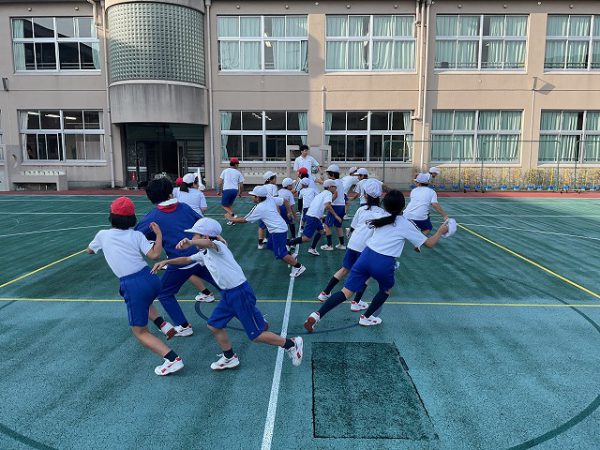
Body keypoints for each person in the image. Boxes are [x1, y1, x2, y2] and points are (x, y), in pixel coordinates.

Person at [151, 218, 304, 371]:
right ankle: (230, 357)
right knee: (214, 325)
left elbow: (209, 243)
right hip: (228, 295)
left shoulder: (218, 246)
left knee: (256, 335)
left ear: (205, 236)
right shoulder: (203, 253)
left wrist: (190, 243)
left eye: (195, 235)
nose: (192, 238)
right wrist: (166, 262)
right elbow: (186, 259)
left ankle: (291, 344)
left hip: (240, 293)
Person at [304, 190, 450, 332]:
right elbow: (429, 243)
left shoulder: (380, 217)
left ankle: (316, 315)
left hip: (365, 256)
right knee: (386, 289)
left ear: (385, 204)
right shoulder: (405, 224)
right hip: (384, 262)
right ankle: (366, 317)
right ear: (403, 206)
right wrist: (440, 232)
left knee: (345, 292)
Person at [87, 197, 184, 376]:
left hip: (133, 284)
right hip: (151, 278)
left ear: (111, 216)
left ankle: (172, 359)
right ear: (132, 218)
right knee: (145, 301)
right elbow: (155, 255)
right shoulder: (137, 235)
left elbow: (90, 250)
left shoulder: (102, 235)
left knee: (140, 332)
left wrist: (92, 249)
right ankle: (163, 325)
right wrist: (159, 235)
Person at [136, 178, 218, 335]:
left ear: (150, 197)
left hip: (180, 263)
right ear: (170, 192)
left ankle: (183, 326)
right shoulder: (184, 207)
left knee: (164, 293)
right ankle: (246, 308)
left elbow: (136, 235)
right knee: (226, 285)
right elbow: (203, 222)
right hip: (201, 257)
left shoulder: (153, 216)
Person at [317, 180, 386, 311]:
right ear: (380, 196)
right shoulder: (382, 213)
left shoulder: (361, 209)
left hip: (353, 244)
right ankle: (356, 302)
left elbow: (352, 228)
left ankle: (325, 293)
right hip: (365, 248)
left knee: (344, 269)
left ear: (365, 195)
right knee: (366, 275)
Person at [226, 186, 306, 278]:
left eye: (253, 196)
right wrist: (289, 212)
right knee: (270, 245)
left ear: (258, 198)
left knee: (280, 254)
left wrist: (231, 219)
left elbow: (245, 220)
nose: (251, 197)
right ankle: (291, 255)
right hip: (277, 229)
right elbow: (285, 201)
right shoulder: (269, 199)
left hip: (278, 231)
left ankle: (298, 267)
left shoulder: (259, 207)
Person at [287, 179, 340, 256]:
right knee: (307, 238)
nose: (336, 188)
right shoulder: (328, 193)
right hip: (314, 217)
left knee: (321, 231)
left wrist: (320, 215)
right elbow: (327, 205)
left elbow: (320, 204)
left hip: (313, 215)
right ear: (330, 187)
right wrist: (336, 216)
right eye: (334, 186)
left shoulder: (322, 194)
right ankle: (288, 244)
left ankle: (312, 248)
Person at [321, 164, 347, 251]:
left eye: (328, 174)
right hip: (342, 206)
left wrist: (328, 202)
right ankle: (342, 244)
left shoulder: (334, 183)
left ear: (332, 174)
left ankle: (329, 245)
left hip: (336, 206)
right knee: (338, 225)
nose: (327, 176)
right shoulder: (340, 182)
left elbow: (335, 194)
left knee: (327, 225)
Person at [219, 158, 244, 225]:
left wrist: (220, 190)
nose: (238, 165)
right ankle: (232, 220)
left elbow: (220, 182)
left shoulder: (225, 171)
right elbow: (241, 185)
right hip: (235, 191)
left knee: (223, 205)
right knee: (229, 205)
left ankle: (232, 214)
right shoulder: (238, 172)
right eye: (238, 164)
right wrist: (240, 193)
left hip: (227, 190)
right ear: (235, 164)